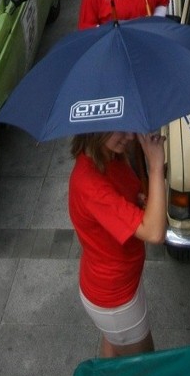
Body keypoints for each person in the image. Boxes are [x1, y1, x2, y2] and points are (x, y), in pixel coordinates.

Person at [68, 130, 166, 359]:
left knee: (113, 352)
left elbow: (123, 200)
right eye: (119, 129)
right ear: (96, 130)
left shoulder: (109, 155)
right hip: (115, 298)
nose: (130, 136)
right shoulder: (91, 184)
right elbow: (154, 233)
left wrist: (138, 201)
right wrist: (156, 167)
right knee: (142, 368)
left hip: (119, 283)